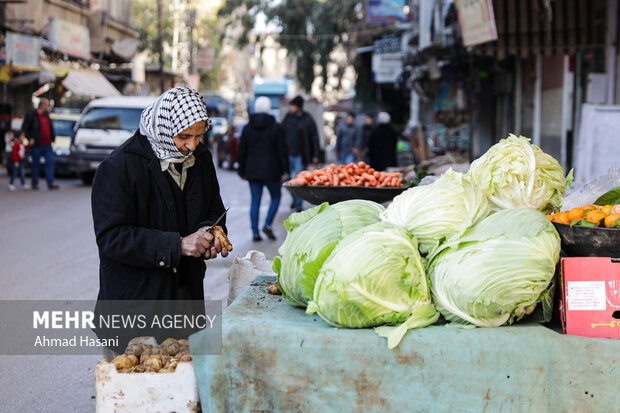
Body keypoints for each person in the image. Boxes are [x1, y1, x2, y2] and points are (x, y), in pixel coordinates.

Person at [92, 87, 229, 304]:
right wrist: (178, 245)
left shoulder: (201, 158)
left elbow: (213, 208)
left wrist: (209, 232)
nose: (191, 145)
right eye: (184, 136)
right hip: (137, 301)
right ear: (165, 128)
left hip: (186, 294)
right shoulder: (118, 167)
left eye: (199, 135)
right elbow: (112, 238)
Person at [238, 96, 289, 241]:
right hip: (272, 170)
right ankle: (267, 224)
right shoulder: (276, 127)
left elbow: (242, 151)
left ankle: (255, 232)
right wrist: (285, 170)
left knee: (255, 200)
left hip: (252, 170)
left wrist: (241, 171)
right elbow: (282, 151)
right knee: (276, 197)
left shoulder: (248, 128)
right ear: (268, 109)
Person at [281, 95, 320, 212]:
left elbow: (314, 137)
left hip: (301, 155)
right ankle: (295, 198)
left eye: (292, 106)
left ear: (298, 107)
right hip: (287, 154)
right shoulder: (287, 118)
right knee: (285, 180)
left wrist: (316, 154)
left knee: (299, 182)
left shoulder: (307, 119)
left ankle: (298, 204)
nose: (290, 108)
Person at [22, 98, 58, 190]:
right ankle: (35, 183)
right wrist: (30, 139)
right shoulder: (32, 115)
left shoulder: (47, 115)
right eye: (47, 105)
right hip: (37, 144)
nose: (48, 107)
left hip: (47, 144)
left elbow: (50, 127)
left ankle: (50, 183)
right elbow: (25, 128)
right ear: (42, 105)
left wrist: (53, 137)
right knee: (35, 164)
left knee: (50, 162)